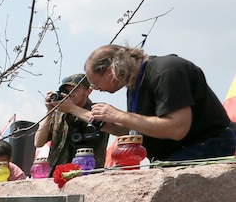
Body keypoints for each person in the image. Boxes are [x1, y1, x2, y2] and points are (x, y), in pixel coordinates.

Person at [84, 44, 236, 161]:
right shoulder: (135, 83)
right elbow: (145, 125)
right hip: (177, 152)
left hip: (206, 145)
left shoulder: (167, 71)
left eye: (95, 83)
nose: (96, 89)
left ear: (111, 70)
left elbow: (177, 129)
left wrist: (119, 115)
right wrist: (111, 125)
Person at [34, 73, 110, 173]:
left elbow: (101, 121)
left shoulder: (98, 109)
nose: (69, 94)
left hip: (86, 174)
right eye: (66, 91)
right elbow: (38, 142)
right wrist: (49, 112)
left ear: (88, 91)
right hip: (57, 175)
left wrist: (72, 108)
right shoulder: (58, 114)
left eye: (74, 90)